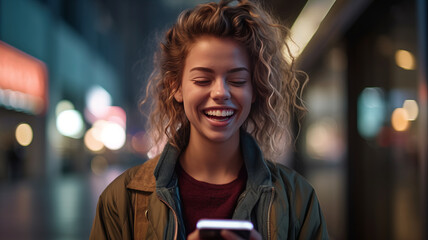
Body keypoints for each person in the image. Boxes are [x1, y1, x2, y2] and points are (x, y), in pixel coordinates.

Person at [90, 0, 329, 239]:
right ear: (176, 87)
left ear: (256, 89)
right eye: (203, 80)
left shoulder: (297, 198)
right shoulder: (122, 199)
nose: (220, 93)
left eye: (237, 81)